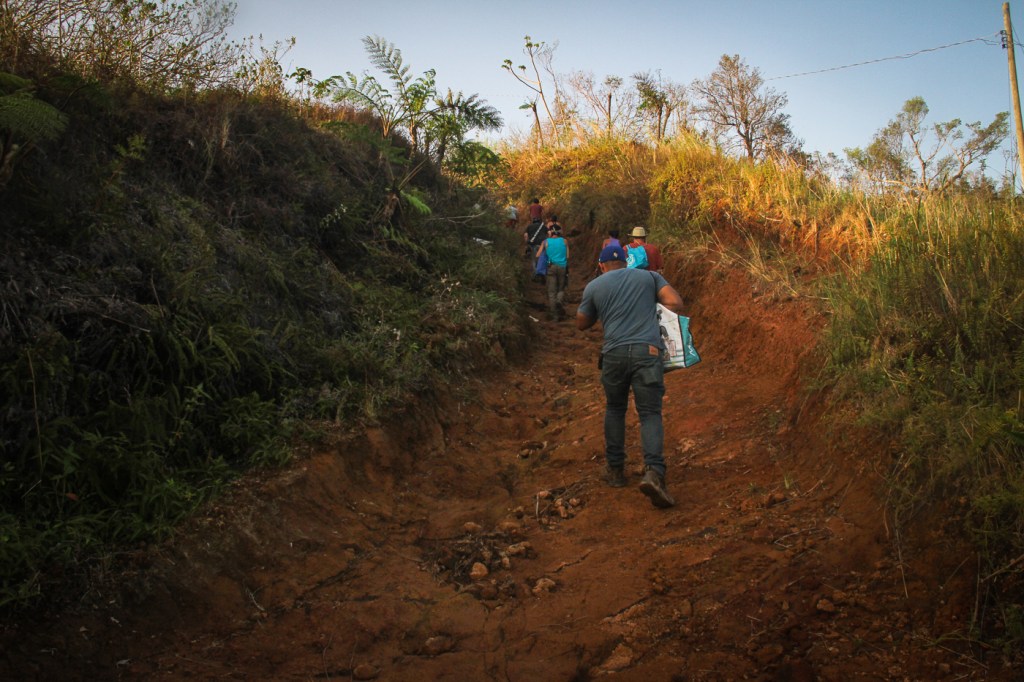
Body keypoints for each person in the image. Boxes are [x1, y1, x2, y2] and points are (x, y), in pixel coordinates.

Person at [576, 244, 686, 508]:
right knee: (649, 413)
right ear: (626, 261)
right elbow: (675, 302)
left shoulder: (594, 286)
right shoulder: (649, 277)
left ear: (601, 265)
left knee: (615, 409)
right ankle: (654, 473)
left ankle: (615, 470)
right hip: (648, 351)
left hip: (613, 354)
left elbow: (582, 322)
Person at [536, 220, 569, 320]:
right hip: (562, 267)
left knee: (551, 292)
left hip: (551, 267)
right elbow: (568, 256)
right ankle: (559, 301)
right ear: (559, 232)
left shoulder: (545, 242)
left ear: (550, 232)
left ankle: (554, 314)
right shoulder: (564, 241)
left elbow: (537, 255)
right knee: (561, 288)